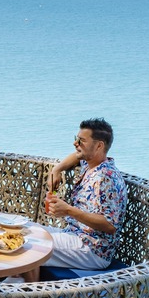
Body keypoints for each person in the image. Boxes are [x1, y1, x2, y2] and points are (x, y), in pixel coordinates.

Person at [22, 118, 128, 283]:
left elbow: (110, 225)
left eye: (81, 141)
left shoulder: (106, 178)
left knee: (31, 244)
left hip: (93, 249)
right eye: (76, 138)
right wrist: (58, 169)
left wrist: (68, 210)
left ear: (99, 146)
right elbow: (77, 157)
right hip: (73, 234)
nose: (75, 143)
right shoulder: (91, 162)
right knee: (24, 230)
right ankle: (10, 290)